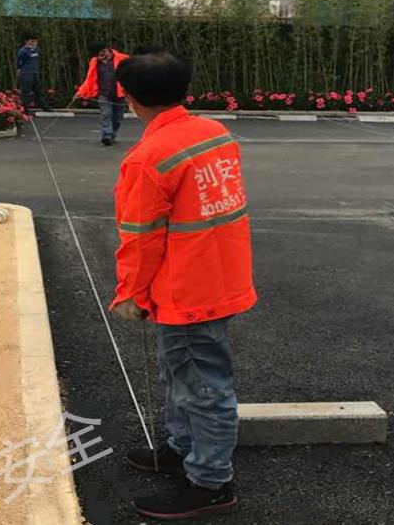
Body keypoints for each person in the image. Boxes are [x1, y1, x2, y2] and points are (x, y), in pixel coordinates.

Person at [108, 50, 256, 520]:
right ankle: (183, 449)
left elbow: (140, 238)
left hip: (188, 291)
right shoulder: (214, 132)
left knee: (202, 386)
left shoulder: (149, 158)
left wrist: (131, 293)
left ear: (129, 98)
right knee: (182, 374)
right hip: (220, 275)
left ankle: (211, 482)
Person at [73, 42, 129, 146]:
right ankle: (107, 135)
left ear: (106, 50)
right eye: (98, 56)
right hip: (103, 94)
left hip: (120, 94)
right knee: (106, 114)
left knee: (117, 118)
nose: (100, 57)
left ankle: (112, 134)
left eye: (101, 55)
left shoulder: (123, 59)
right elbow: (89, 78)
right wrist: (80, 92)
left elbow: (132, 75)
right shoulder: (95, 62)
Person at [16, 35, 49, 111]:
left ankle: (44, 106)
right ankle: (24, 108)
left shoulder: (36, 49)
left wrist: (33, 48)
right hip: (27, 72)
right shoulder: (23, 50)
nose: (33, 43)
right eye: (31, 41)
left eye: (34, 41)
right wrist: (20, 69)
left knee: (39, 90)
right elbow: (20, 61)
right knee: (26, 91)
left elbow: (38, 53)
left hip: (35, 72)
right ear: (26, 42)